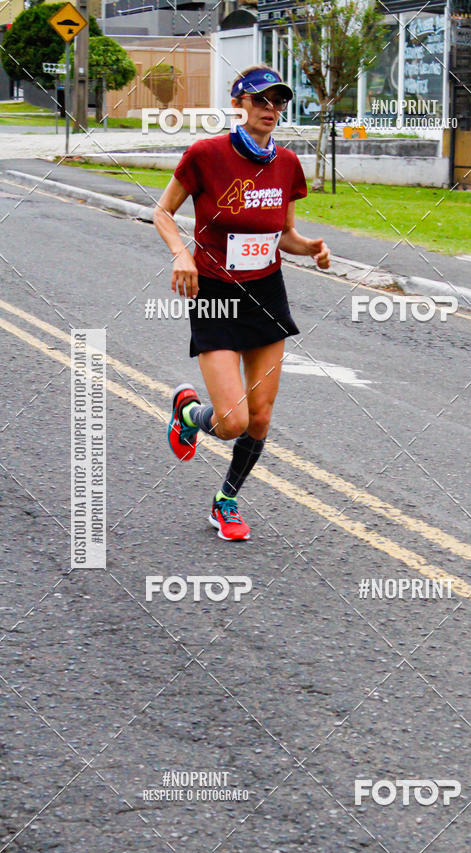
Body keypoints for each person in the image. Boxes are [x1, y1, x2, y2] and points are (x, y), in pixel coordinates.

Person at [153, 66, 331, 541]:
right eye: (261, 101)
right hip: (212, 293)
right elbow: (162, 211)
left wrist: (310, 246)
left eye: (278, 102)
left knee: (261, 416)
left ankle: (226, 501)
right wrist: (181, 254)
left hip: (266, 294)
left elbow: (285, 236)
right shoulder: (206, 154)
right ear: (240, 103)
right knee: (231, 421)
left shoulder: (288, 164)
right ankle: (190, 414)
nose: (271, 110)